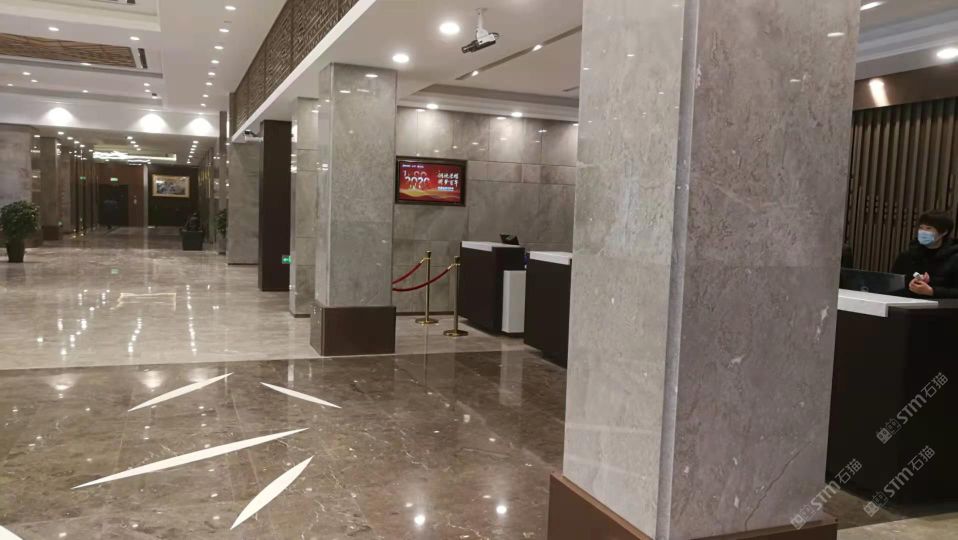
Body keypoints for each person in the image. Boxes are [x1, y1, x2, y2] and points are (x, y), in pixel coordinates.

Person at [891, 210, 958, 298]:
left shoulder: (954, 258)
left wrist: (932, 291)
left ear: (944, 232)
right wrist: (910, 285)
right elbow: (892, 285)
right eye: (921, 228)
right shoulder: (907, 256)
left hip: (941, 305)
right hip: (908, 304)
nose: (923, 232)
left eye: (928, 228)